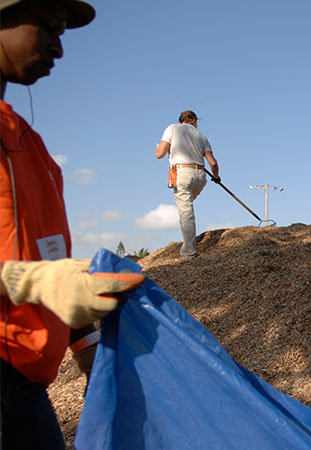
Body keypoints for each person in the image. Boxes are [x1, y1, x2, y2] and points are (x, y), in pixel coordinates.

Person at [0, 1, 145, 448]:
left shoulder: (32, 147)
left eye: (62, 31)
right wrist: (38, 280)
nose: (58, 48)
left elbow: (48, 258)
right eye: (46, 26)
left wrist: (87, 350)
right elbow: (41, 274)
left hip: (23, 384)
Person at [155, 110, 220, 260]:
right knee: (187, 206)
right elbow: (213, 163)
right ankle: (189, 240)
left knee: (186, 212)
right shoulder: (202, 136)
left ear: (181, 120)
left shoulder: (172, 128)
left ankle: (189, 253)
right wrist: (216, 177)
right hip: (200, 176)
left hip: (182, 172)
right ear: (195, 121)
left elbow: (159, 154)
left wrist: (162, 147)